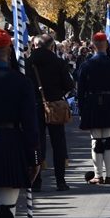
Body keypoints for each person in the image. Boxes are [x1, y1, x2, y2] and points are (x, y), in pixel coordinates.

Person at [0, 29, 41, 218]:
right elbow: (30, 123)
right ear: (9, 50)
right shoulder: (20, 81)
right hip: (10, 144)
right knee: (6, 211)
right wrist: (34, 157)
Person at [27, 34, 74, 192]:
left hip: (34, 106)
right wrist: (56, 93)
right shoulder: (58, 62)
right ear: (51, 46)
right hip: (54, 105)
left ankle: (36, 181)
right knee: (58, 143)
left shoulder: (28, 62)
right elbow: (69, 84)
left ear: (35, 45)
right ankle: (60, 181)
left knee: (37, 143)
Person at [77, 32, 110, 184]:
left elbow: (80, 91)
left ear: (92, 45)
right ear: (107, 44)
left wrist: (81, 109)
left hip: (91, 103)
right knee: (109, 139)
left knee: (96, 139)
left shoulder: (86, 65)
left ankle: (98, 175)